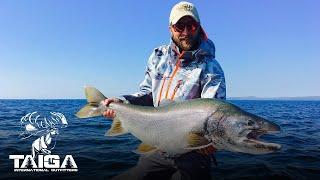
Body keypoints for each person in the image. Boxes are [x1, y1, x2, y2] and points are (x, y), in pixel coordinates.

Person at [103, 1, 226, 180]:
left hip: (193, 152)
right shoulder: (157, 56)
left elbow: (213, 111)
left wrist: (214, 141)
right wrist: (122, 102)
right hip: (157, 144)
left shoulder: (211, 67)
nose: (185, 32)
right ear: (170, 28)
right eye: (179, 26)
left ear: (199, 27)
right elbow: (147, 92)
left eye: (191, 26)